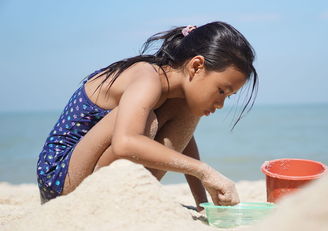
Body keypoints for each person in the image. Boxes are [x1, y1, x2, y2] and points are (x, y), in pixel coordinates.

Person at [36, 21, 258, 210]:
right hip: (59, 178)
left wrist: (203, 204)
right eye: (221, 91)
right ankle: (99, 202)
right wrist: (205, 171)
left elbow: (183, 139)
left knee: (187, 111)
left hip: (87, 172)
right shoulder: (146, 77)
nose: (220, 104)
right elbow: (125, 143)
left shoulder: (176, 96)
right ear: (196, 66)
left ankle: (117, 202)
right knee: (146, 124)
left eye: (228, 97)